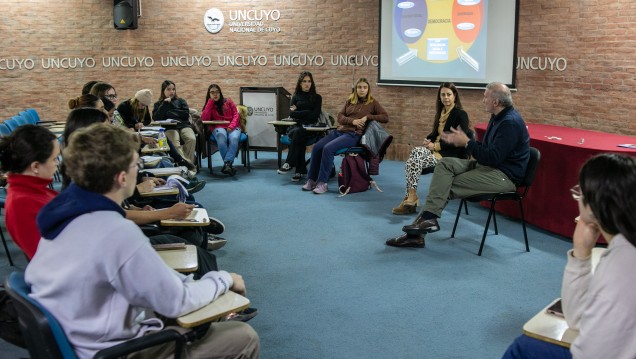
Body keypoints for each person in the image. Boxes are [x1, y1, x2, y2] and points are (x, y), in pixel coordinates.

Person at [26, 124, 259, 358]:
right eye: (135, 164)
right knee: (242, 336)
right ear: (122, 177)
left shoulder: (64, 217)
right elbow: (176, 301)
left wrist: (200, 284)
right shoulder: (114, 231)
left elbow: (160, 285)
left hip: (84, 337)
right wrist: (225, 279)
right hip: (113, 351)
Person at [502, 153, 636, 359]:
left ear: (593, 206)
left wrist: (580, 255)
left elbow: (583, 334)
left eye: (580, 192)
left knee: (523, 348)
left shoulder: (617, 268)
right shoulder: (624, 248)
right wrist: (581, 254)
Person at [386, 82, 529, 248]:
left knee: (446, 184)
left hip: (504, 176)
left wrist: (467, 143)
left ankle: (417, 233)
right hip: (488, 166)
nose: (483, 100)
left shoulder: (509, 123)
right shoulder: (497, 117)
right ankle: (426, 223)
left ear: (496, 102)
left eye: (485, 97)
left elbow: (493, 158)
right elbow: (488, 151)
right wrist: (470, 143)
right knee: (445, 165)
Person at [392, 82, 471, 215]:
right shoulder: (441, 113)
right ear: (439, 97)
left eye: (449, 95)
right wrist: (428, 139)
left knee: (412, 163)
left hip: (449, 155)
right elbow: (436, 133)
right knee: (416, 152)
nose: (446, 98)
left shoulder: (460, 114)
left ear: (455, 96)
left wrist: (435, 146)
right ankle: (411, 197)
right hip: (434, 150)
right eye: (443, 95)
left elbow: (460, 139)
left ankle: (409, 199)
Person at [302, 77, 388, 194]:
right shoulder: (350, 101)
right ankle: (312, 180)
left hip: (354, 135)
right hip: (340, 131)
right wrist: (353, 121)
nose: (362, 90)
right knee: (317, 147)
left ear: (368, 89)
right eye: (359, 87)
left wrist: (368, 117)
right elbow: (340, 117)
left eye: (365, 87)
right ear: (356, 89)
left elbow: (385, 117)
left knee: (328, 149)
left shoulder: (372, 103)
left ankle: (323, 183)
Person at [0, 125, 59, 260]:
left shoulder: (36, 190)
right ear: (36, 166)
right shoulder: (21, 205)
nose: (58, 164)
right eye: (54, 159)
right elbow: (48, 259)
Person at [277, 71, 322, 182]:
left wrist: (299, 111)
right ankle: (300, 171)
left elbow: (314, 116)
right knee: (298, 133)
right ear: (300, 83)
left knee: (299, 134)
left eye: (309, 81)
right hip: (296, 127)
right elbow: (292, 114)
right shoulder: (295, 97)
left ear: (312, 83)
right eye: (304, 81)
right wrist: (307, 111)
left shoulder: (317, 98)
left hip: (310, 128)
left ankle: (289, 163)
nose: (307, 84)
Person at [200, 84, 241, 176]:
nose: (215, 94)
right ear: (209, 94)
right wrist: (210, 102)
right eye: (212, 92)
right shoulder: (209, 104)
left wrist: (231, 126)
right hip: (218, 127)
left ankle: (227, 164)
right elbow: (204, 118)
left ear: (220, 92)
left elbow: (236, 115)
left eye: (217, 92)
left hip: (233, 126)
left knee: (234, 138)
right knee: (221, 138)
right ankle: (228, 164)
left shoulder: (228, 101)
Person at [152, 80, 197, 163]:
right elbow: (156, 118)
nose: (171, 91)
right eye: (168, 89)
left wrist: (169, 113)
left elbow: (185, 114)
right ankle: (188, 165)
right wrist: (164, 105)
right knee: (175, 145)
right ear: (163, 91)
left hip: (184, 125)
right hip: (169, 128)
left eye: (173, 89)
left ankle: (186, 164)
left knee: (191, 139)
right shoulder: (158, 104)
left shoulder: (181, 101)